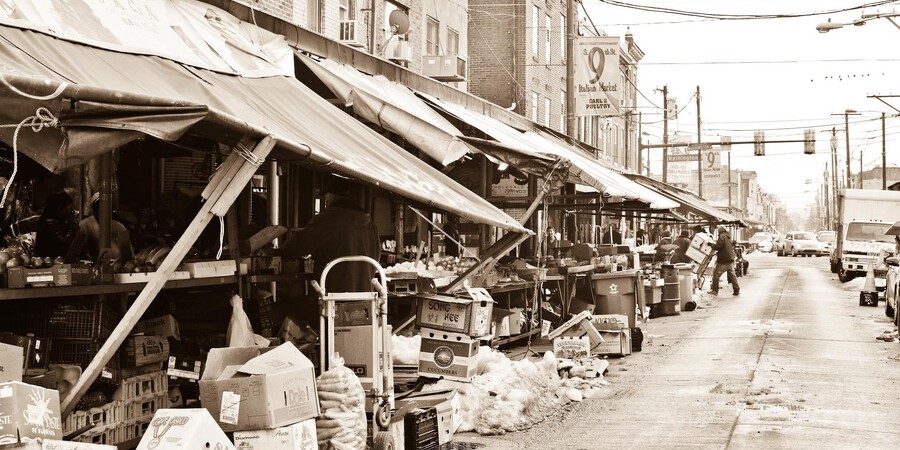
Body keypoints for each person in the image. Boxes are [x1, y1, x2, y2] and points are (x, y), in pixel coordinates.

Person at [283, 178, 381, 294]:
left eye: (326, 197)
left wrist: (285, 249)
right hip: (365, 292)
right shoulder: (370, 224)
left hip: (333, 294)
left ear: (332, 196)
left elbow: (296, 246)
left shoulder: (326, 219)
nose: (325, 201)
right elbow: (377, 255)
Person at [70, 193, 134, 264]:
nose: (103, 208)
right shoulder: (84, 225)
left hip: (118, 268)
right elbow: (80, 251)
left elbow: (127, 254)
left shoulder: (120, 227)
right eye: (99, 205)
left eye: (107, 205)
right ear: (93, 208)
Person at [35, 191, 77, 258]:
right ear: (60, 208)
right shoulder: (50, 223)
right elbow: (64, 245)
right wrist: (71, 224)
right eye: (69, 208)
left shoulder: (55, 222)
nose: (71, 212)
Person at [709, 225, 740, 296]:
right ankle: (736, 290)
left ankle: (715, 290)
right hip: (730, 259)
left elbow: (718, 246)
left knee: (716, 275)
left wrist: (711, 245)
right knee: (732, 275)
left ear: (720, 230)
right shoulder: (729, 236)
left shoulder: (722, 236)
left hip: (723, 260)